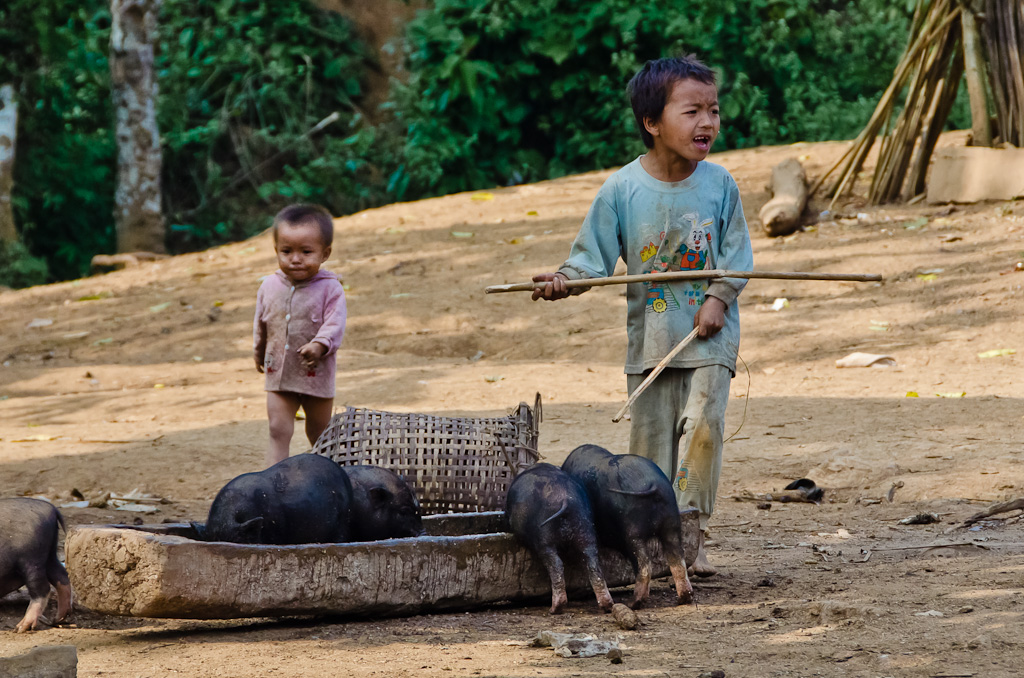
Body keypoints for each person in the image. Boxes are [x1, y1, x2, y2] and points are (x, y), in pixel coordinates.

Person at [532, 55, 753, 577]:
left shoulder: (721, 186)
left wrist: (719, 297)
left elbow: (738, 255)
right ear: (652, 123)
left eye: (714, 111)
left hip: (708, 338)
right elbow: (590, 259)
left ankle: (691, 533)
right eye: (692, 111)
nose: (708, 123)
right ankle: (652, 540)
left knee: (704, 427)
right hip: (651, 344)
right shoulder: (621, 190)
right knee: (649, 457)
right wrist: (566, 281)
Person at [253, 204, 346, 467]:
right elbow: (262, 323)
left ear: (325, 253)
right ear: (276, 251)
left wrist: (320, 344)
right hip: (279, 373)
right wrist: (258, 353)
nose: (295, 259)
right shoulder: (269, 286)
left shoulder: (330, 289)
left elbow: (335, 324)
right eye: (287, 251)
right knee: (277, 429)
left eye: (306, 252)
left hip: (316, 375)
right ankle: (275, 484)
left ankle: (330, 480)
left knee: (320, 434)